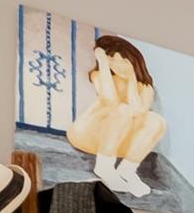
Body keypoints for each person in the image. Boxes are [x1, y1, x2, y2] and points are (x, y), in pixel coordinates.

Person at [65, 35, 167, 199]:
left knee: (157, 121)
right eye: (112, 60)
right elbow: (110, 101)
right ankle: (104, 166)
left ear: (134, 61)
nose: (117, 66)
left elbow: (140, 112)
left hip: (120, 140)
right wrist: (104, 64)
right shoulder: (100, 75)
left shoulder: (145, 87)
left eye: (123, 61)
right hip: (91, 133)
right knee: (123, 110)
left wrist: (132, 81)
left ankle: (127, 170)